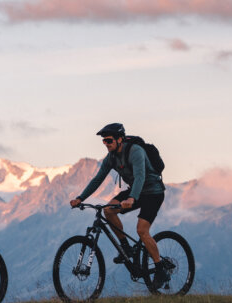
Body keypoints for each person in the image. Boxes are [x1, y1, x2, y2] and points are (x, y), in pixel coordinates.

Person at [69, 122, 173, 286]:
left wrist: (131, 198)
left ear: (119, 139)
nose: (106, 144)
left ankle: (160, 269)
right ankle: (126, 247)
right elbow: (98, 179)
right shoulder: (111, 158)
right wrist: (80, 198)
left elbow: (140, 177)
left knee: (142, 231)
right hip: (136, 191)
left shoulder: (135, 151)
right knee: (108, 211)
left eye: (109, 140)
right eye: (104, 141)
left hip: (153, 192)